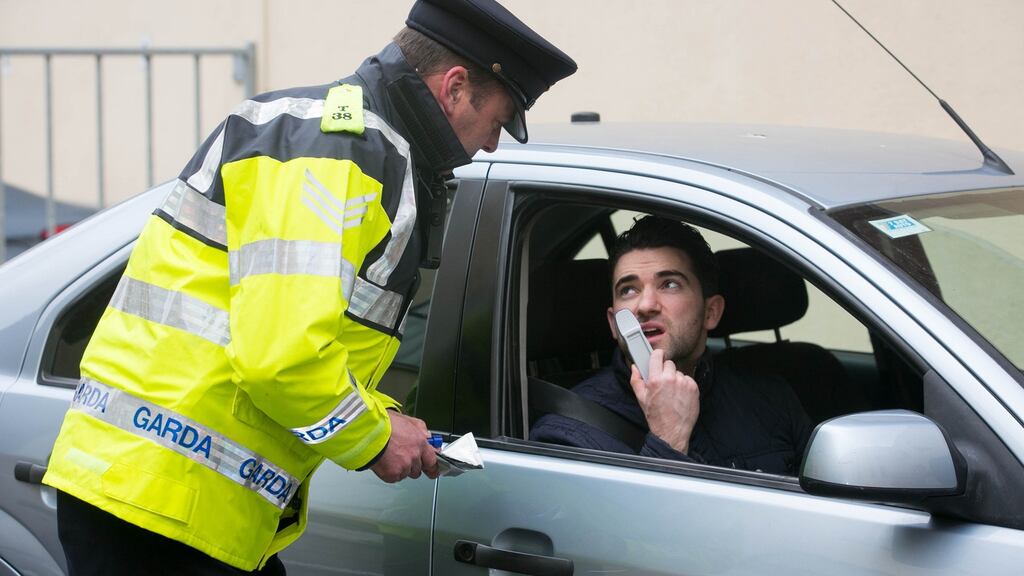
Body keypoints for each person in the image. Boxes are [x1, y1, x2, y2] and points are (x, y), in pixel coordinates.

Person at [42, 1, 576, 574]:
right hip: (161, 502)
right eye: (497, 121)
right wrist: (374, 439)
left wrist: (386, 416)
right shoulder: (343, 151)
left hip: (163, 492)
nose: (492, 145)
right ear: (453, 87)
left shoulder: (346, 141)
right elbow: (282, 359)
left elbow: (301, 337)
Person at [531, 216, 812, 475]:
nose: (645, 305)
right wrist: (667, 442)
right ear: (614, 323)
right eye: (628, 290)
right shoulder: (567, 435)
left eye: (670, 284)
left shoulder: (772, 401)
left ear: (711, 312)